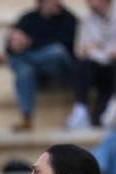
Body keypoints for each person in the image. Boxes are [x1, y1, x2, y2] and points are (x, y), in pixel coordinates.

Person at [67, 0, 116, 129]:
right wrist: (101, 53)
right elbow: (81, 50)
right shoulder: (87, 18)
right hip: (100, 67)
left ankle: (115, 108)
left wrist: (102, 52)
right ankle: (80, 109)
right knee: (83, 65)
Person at [6, 0, 79, 131]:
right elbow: (10, 44)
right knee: (24, 70)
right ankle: (27, 118)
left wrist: (29, 43)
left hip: (60, 71)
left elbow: (66, 46)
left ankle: (23, 58)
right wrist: (14, 43)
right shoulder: (28, 18)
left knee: (57, 51)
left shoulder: (69, 19)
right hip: (37, 73)